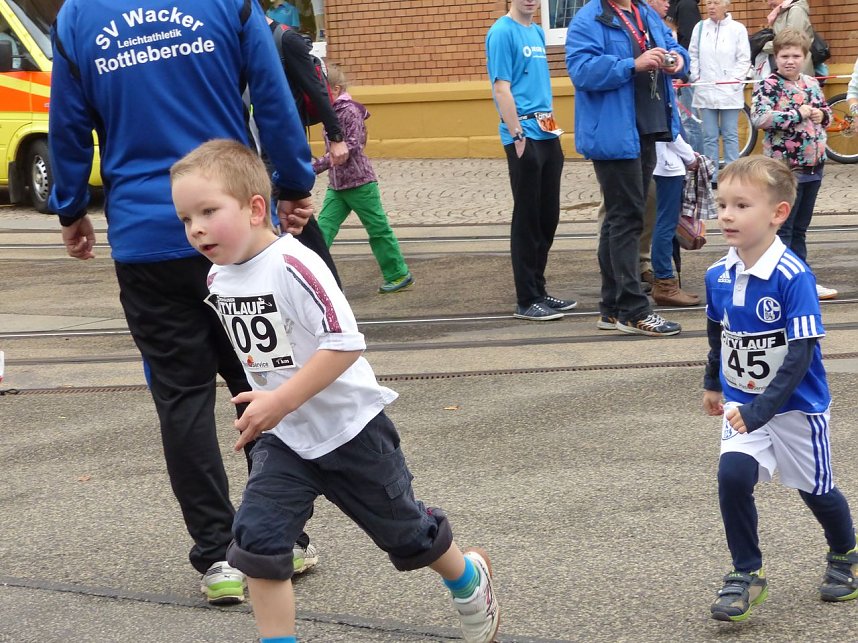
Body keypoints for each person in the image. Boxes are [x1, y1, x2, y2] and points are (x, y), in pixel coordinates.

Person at [170, 139, 501, 643]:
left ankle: (467, 577)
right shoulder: (218, 277)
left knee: (408, 535)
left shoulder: (294, 264)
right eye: (186, 218)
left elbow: (344, 344)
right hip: (286, 440)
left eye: (208, 212)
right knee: (258, 542)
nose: (195, 228)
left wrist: (280, 399)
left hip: (352, 431)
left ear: (256, 208)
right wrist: (268, 403)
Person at [48, 0, 319, 605]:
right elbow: (272, 95)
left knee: (181, 400)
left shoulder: (76, 17)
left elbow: (67, 122)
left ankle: (219, 557)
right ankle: (276, 541)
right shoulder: (229, 3)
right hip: (236, 236)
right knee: (264, 379)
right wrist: (294, 183)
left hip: (148, 238)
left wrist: (71, 208)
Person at [703, 156, 858, 622]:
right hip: (743, 405)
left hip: (795, 409)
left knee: (816, 488)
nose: (727, 215)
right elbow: (719, 333)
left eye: (741, 205)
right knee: (732, 477)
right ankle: (746, 574)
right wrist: (714, 383)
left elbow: (801, 354)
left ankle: (845, 554)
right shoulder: (718, 275)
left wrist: (762, 409)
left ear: (778, 214)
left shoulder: (793, 276)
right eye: (721, 204)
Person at [566, 0, 686, 336]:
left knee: (622, 218)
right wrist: (632, 64)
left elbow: (676, 49)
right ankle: (633, 309)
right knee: (627, 218)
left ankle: (613, 308)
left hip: (646, 126)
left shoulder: (644, 13)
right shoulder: (589, 18)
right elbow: (581, 71)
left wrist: (674, 60)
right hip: (613, 133)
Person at [486, 0, 577, 322]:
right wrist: (517, 133)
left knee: (547, 215)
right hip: (522, 132)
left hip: (548, 129)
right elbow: (501, 88)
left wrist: (550, 129)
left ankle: (539, 289)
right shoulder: (501, 32)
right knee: (527, 218)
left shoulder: (537, 31)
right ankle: (526, 299)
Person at [751, 29, 837, 301]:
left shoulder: (811, 83)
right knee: (783, 228)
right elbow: (760, 118)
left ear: (805, 57)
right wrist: (796, 114)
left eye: (796, 55)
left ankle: (801, 279)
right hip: (784, 170)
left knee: (800, 228)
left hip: (814, 166)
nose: (790, 61)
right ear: (776, 57)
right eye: (784, 55)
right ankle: (779, 282)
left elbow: (829, 116)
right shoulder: (768, 85)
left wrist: (822, 114)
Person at [314, 65, 413, 293]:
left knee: (378, 229)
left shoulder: (349, 111)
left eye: (322, 90)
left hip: (360, 183)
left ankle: (398, 274)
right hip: (337, 185)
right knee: (322, 231)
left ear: (336, 89)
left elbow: (351, 145)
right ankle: (314, 276)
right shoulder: (330, 113)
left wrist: (317, 165)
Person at [688, 0, 750, 187]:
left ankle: (732, 175)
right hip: (705, 89)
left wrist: (733, 82)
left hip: (729, 91)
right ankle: (711, 174)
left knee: (730, 134)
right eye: (708, 3)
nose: (711, 7)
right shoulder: (699, 28)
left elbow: (743, 58)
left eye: (715, 2)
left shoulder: (737, 29)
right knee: (709, 135)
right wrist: (696, 77)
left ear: (726, 6)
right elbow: (693, 55)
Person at [652, 133, 701, 306]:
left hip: (663, 162)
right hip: (667, 164)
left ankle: (666, 282)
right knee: (666, 224)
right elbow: (669, 131)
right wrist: (689, 156)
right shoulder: (661, 103)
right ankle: (664, 282)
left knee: (665, 223)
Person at [666, 0, 704, 153]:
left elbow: (689, 44)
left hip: (683, 76)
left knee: (690, 122)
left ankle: (697, 163)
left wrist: (685, 75)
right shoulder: (675, 5)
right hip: (675, 73)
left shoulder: (686, 5)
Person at [763, 0, 814, 77]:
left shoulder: (796, 10)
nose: (769, 3)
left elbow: (792, 40)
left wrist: (763, 46)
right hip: (786, 67)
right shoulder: (782, 12)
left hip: (797, 69)